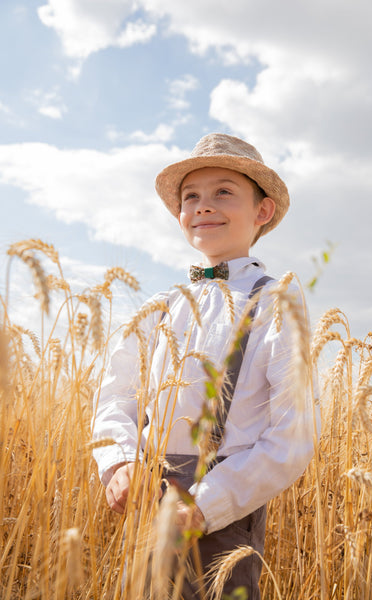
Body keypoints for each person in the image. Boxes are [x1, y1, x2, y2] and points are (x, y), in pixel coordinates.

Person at [92, 133, 318, 599]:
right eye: (190, 196)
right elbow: (116, 395)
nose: (202, 206)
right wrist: (119, 461)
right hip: (148, 500)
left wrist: (206, 505)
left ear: (262, 211)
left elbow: (292, 435)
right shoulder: (162, 305)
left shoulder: (276, 300)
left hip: (224, 508)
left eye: (223, 192)